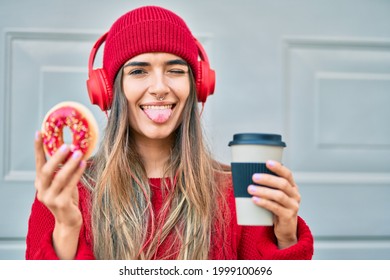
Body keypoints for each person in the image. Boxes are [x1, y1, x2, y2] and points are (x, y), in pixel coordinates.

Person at [26, 5, 313, 260]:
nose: (160, 87)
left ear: (197, 86)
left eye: (175, 70)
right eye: (139, 71)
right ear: (109, 91)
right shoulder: (67, 192)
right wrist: (66, 227)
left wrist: (286, 236)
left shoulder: (236, 192)